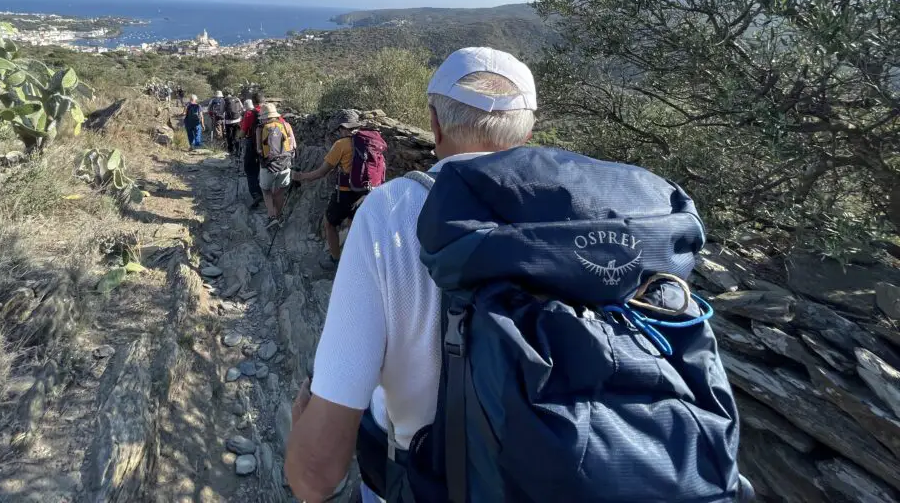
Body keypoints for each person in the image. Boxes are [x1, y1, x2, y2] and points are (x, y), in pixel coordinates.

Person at [285, 47, 746, 503]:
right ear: (528, 130)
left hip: (428, 479)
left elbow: (315, 477)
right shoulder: (608, 219)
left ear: (435, 121)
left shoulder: (391, 212)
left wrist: (302, 421)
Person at [293, 109, 386, 269]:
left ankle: (335, 260)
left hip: (344, 193)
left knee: (330, 224)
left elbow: (321, 172)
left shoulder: (341, 145)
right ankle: (357, 262)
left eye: (339, 129)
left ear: (343, 127)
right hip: (367, 193)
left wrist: (300, 177)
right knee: (353, 225)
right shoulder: (371, 141)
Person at [256, 102, 295, 222]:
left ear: (263, 116)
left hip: (268, 166)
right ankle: (279, 216)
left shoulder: (260, 128)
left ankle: (272, 216)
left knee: (266, 190)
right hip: (285, 164)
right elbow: (293, 145)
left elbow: (259, 149)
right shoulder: (286, 125)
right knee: (280, 191)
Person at [240, 91, 265, 208]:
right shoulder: (271, 113)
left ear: (253, 102)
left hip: (253, 145)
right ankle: (266, 193)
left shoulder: (250, 114)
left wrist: (238, 136)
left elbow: (243, 132)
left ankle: (256, 194)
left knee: (250, 169)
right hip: (268, 147)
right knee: (265, 168)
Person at [223, 90, 243, 157]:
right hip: (237, 120)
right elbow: (242, 108)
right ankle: (238, 151)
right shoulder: (237, 99)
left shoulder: (224, 100)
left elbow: (221, 110)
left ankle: (231, 151)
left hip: (228, 122)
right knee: (236, 136)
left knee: (229, 136)